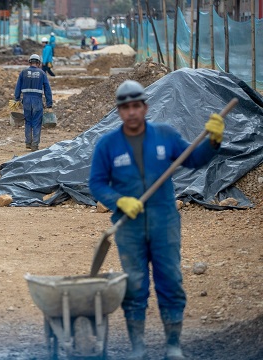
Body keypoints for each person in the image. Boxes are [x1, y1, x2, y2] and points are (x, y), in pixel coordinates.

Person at [89, 80, 224, 360]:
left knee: (171, 280)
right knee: (135, 285)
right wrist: (118, 201)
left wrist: (212, 142)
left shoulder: (165, 136)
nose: (131, 112)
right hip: (129, 226)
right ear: (119, 111)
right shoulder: (108, 145)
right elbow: (97, 183)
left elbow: (194, 159)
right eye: (125, 107)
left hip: (164, 223)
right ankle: (138, 347)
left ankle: (173, 345)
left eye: (136, 106)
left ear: (145, 107)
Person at [13, 54, 53, 151]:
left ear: (30, 62)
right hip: (37, 100)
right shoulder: (42, 73)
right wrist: (49, 103)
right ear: (38, 63)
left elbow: (18, 87)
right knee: (36, 122)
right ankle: (35, 145)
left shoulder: (23, 72)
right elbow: (47, 89)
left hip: (26, 100)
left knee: (28, 121)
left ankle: (28, 143)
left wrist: (17, 99)